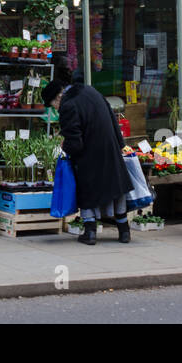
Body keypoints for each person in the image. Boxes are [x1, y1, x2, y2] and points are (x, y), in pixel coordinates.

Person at [42, 66, 132, 245]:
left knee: (87, 191)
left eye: (53, 105)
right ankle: (124, 231)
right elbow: (112, 118)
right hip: (110, 148)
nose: (56, 109)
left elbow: (75, 142)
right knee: (116, 189)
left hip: (89, 156)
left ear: (58, 97)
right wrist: (120, 145)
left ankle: (90, 232)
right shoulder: (90, 90)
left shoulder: (68, 105)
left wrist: (64, 146)